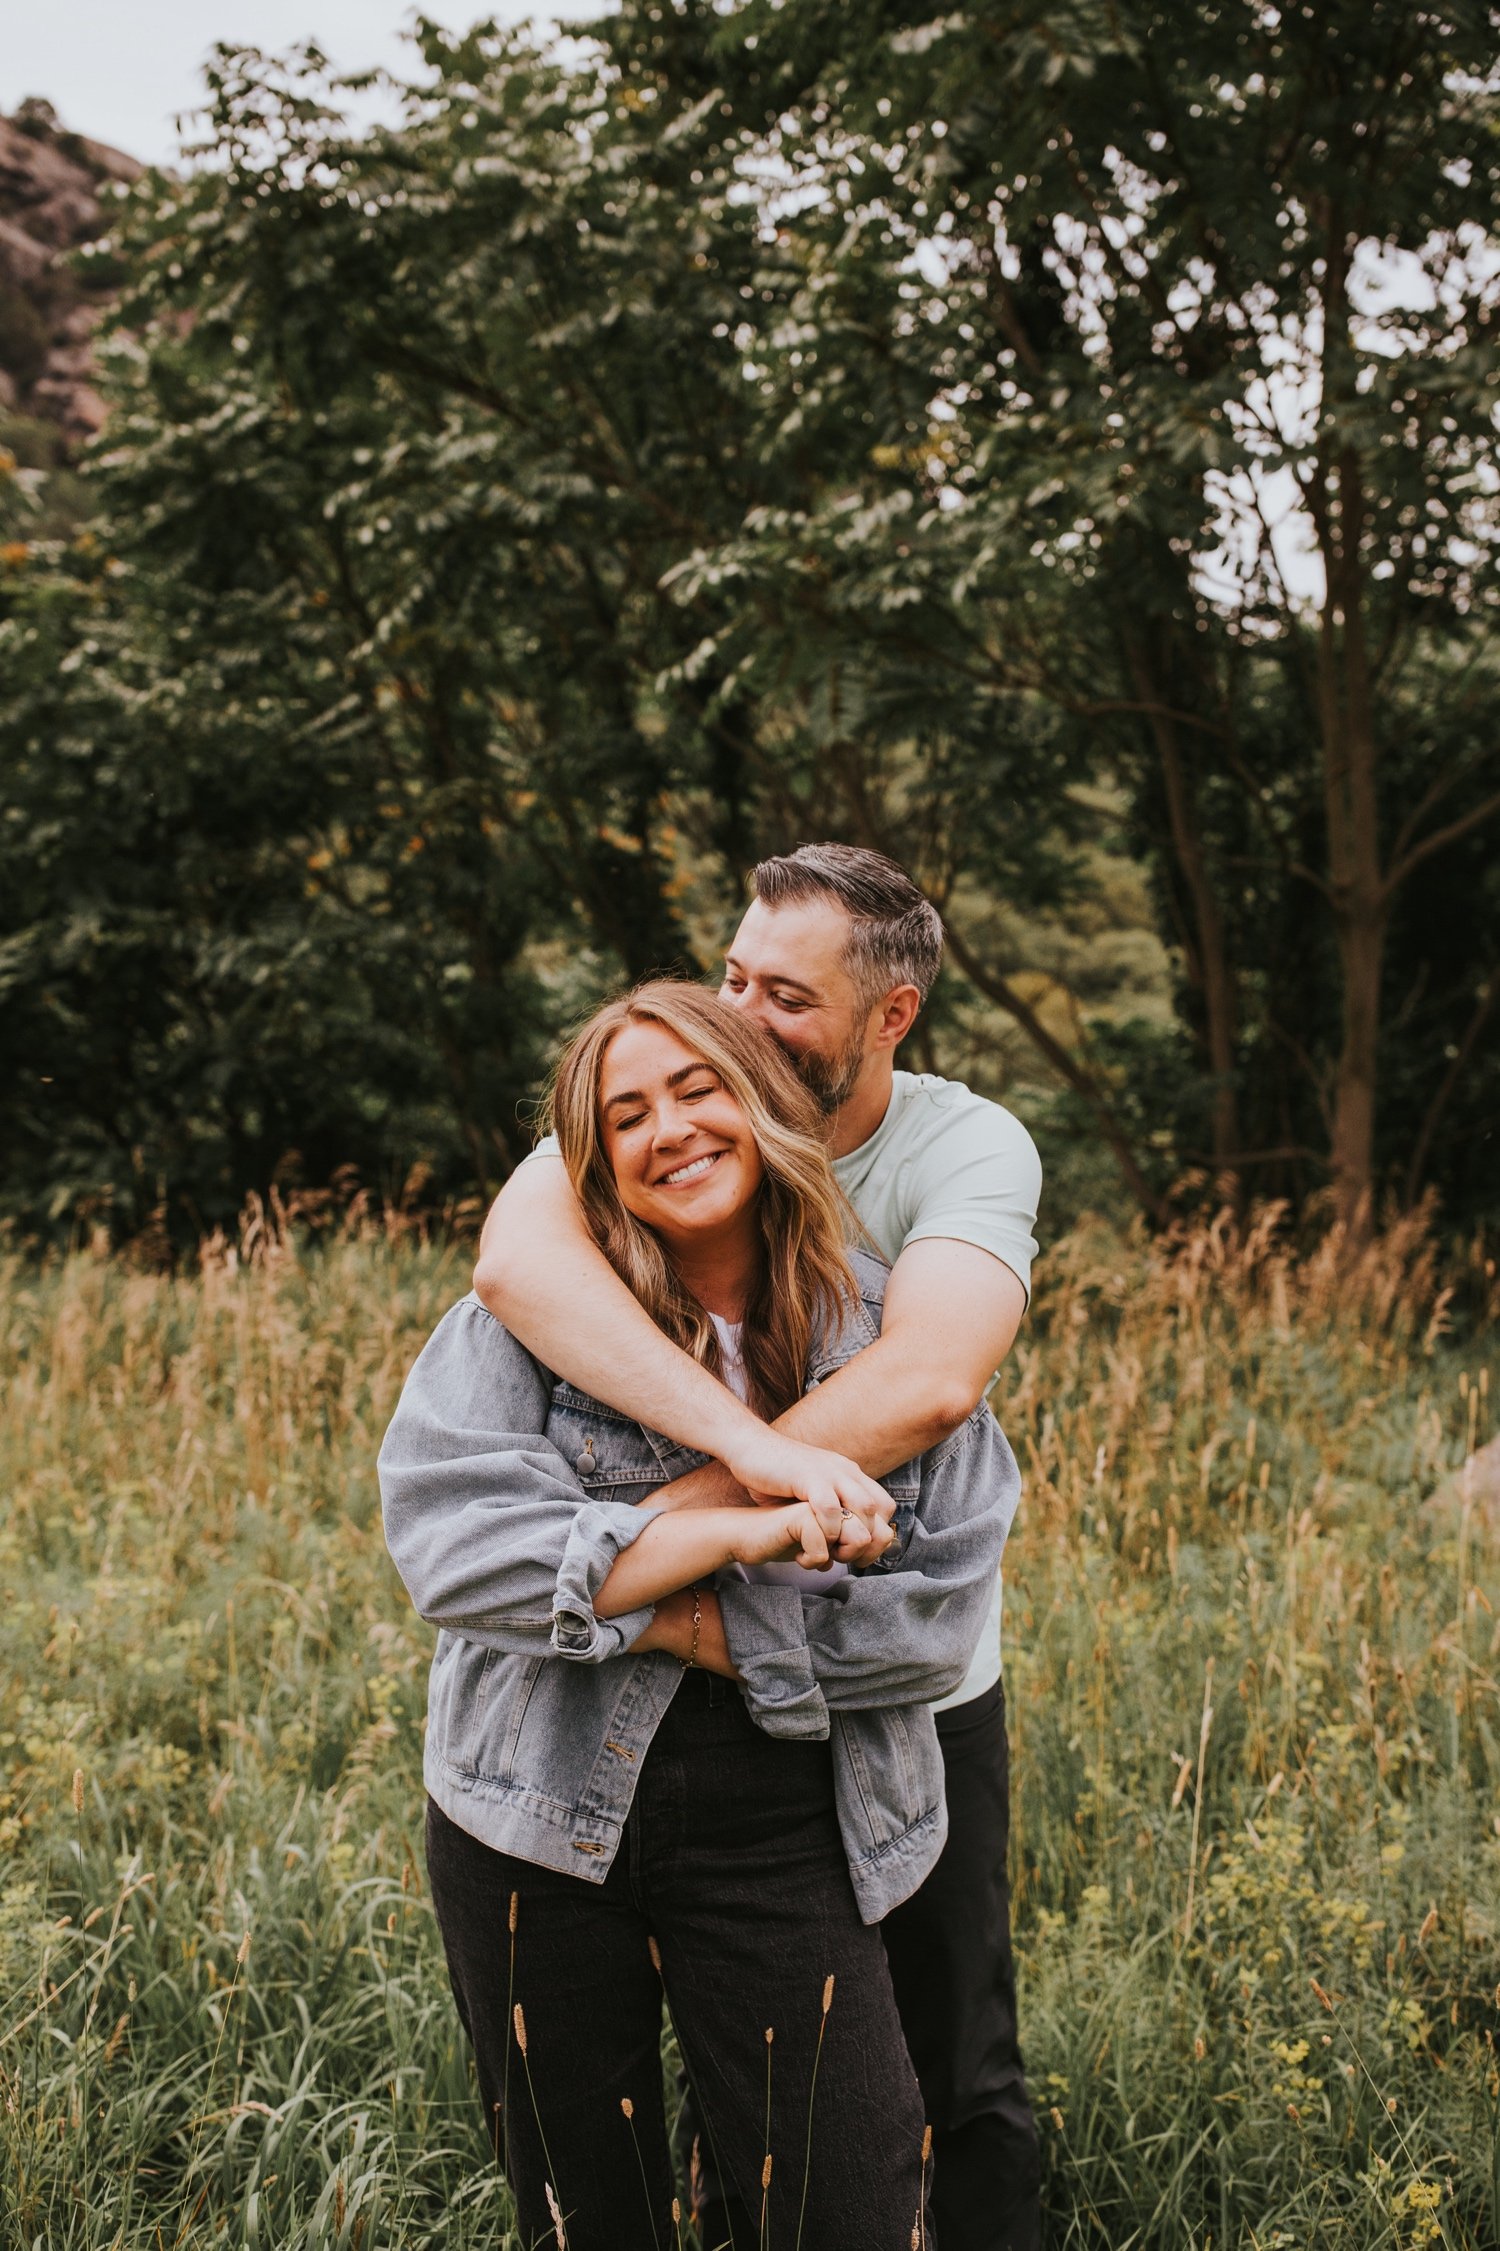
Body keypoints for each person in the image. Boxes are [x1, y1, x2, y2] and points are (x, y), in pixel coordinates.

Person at [381, 982, 1021, 2251]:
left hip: (796, 1820)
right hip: (535, 1815)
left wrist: (641, 1600)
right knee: (587, 2212)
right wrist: (729, 1534)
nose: (669, 1128)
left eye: (697, 1089)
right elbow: (455, 1555)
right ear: (594, 1160)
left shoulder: (880, 1331)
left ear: (764, 1103)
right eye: (627, 1114)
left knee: (848, 2199)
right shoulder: (519, 1333)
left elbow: (932, 1620)